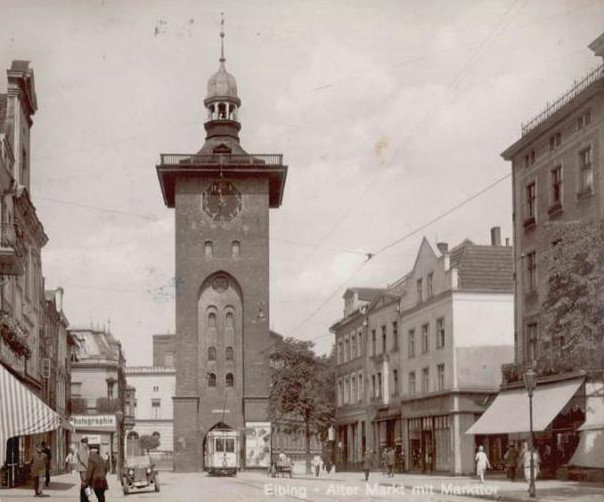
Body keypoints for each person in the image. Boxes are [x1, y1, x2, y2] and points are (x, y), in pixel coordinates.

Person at [75, 437, 90, 502]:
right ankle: (84, 499)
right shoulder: (82, 449)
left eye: (87, 442)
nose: (87, 444)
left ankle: (85, 498)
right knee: (85, 484)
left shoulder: (84, 448)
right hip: (83, 468)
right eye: (86, 442)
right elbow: (83, 460)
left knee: (84, 484)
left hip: (84, 468)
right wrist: (88, 467)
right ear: (83, 443)